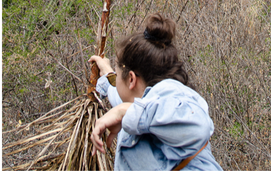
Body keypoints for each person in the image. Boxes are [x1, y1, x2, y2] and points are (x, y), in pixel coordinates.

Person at [88, 13, 222, 171]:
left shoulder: (171, 95)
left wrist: (122, 112)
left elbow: (200, 127)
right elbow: (125, 100)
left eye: (118, 75)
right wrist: (107, 75)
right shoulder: (141, 104)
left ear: (131, 79)